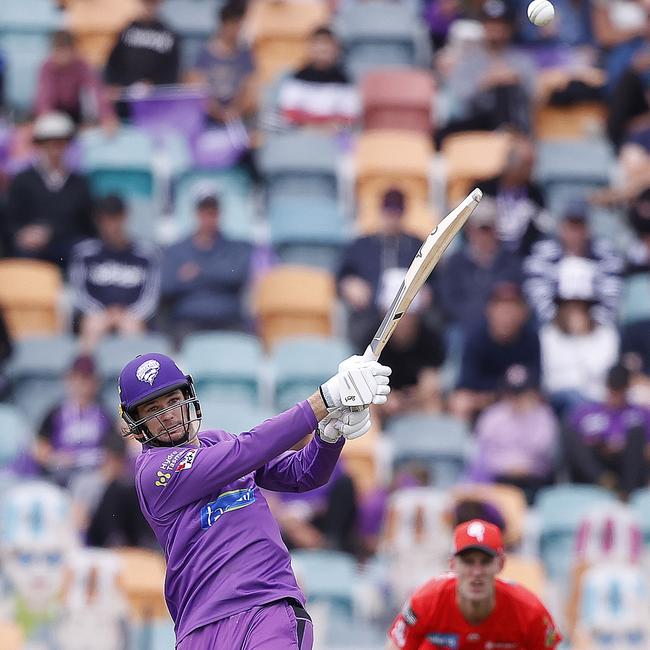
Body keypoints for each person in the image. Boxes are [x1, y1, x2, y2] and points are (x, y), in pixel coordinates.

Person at [117, 350, 391, 647]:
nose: (168, 414)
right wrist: (324, 400)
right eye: (153, 410)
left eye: (173, 401)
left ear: (189, 396)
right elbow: (247, 451)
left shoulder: (218, 441)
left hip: (267, 605)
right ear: (136, 423)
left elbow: (302, 474)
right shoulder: (153, 472)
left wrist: (328, 435)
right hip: (199, 625)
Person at [387, 519, 562, 649]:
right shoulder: (425, 601)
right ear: (452, 564)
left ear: (500, 564)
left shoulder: (529, 610)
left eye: (485, 562)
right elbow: (396, 646)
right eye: (468, 562)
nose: (477, 572)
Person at [69, 194, 161, 352]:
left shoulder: (147, 253)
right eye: (106, 220)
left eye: (116, 218)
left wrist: (127, 314)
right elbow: (78, 293)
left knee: (131, 327)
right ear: (98, 221)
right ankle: (86, 374)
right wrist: (104, 314)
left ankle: (133, 376)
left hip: (132, 317)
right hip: (96, 316)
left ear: (125, 217)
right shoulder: (85, 252)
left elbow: (151, 297)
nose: (112, 226)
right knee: (93, 324)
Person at [159, 189, 253, 343]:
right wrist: (217, 273)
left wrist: (198, 272)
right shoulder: (177, 249)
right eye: (204, 213)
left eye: (213, 213)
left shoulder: (236, 247)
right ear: (196, 214)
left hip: (228, 320)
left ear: (219, 214)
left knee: (243, 346)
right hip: (189, 321)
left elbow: (236, 275)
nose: (209, 219)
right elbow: (167, 286)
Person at [337, 188, 425, 349]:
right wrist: (349, 285)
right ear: (381, 212)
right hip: (370, 314)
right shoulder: (361, 245)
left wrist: (427, 292)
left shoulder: (416, 245)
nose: (392, 219)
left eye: (396, 214)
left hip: (409, 317)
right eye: (388, 213)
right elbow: (341, 276)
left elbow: (434, 280)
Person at [6, 111, 95, 269]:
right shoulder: (22, 180)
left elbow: (87, 225)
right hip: (31, 250)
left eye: (60, 142)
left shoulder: (80, 183)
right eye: (49, 142)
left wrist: (51, 233)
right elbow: (10, 220)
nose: (55, 148)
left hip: (68, 248)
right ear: (39, 145)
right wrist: (22, 234)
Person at [523, 197, 624, 327]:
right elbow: (537, 294)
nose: (575, 233)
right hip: (552, 328)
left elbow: (612, 295)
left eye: (580, 227)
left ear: (588, 229)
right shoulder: (542, 253)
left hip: (595, 329)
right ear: (561, 228)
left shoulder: (606, 253)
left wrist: (591, 327)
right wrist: (559, 325)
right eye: (571, 226)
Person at [450, 281, 540, 422]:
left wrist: (513, 397)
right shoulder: (476, 337)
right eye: (502, 308)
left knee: (534, 403)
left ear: (523, 312)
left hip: (518, 399)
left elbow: (535, 382)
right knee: (461, 402)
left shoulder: (530, 337)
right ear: (489, 310)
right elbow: (467, 384)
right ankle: (468, 443)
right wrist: (494, 397)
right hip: (485, 399)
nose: (507, 315)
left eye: (513, 308)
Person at [563, 364, 650, 498]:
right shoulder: (587, 412)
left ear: (627, 388)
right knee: (569, 432)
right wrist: (597, 443)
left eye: (619, 390)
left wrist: (623, 445)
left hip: (626, 465)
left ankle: (626, 491)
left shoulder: (640, 414)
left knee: (637, 432)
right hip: (595, 465)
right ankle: (604, 479)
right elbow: (574, 447)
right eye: (612, 389)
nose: (614, 394)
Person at [32, 355, 114, 488]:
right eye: (76, 378)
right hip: (59, 476)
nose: (81, 384)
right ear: (68, 379)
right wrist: (55, 459)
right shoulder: (56, 412)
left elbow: (114, 451)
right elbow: (40, 449)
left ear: (96, 382)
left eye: (87, 379)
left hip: (93, 476)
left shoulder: (104, 414)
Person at [104, 0, 180, 118]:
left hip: (154, 102)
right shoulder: (127, 30)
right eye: (146, 3)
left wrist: (154, 85)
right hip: (124, 99)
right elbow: (113, 63)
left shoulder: (169, 34)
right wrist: (113, 84)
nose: (148, 7)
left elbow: (172, 72)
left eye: (153, 3)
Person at [190, 1, 257, 126]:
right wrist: (218, 112)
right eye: (234, 24)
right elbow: (197, 89)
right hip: (208, 120)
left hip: (237, 121)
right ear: (223, 24)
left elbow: (249, 89)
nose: (237, 30)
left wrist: (235, 111)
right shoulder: (204, 53)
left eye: (239, 25)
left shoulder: (246, 54)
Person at [278, 26, 358, 129]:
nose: (321, 52)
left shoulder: (345, 82)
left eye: (326, 48)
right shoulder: (296, 79)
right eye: (317, 47)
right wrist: (310, 127)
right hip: (300, 134)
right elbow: (289, 114)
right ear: (309, 49)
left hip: (332, 136)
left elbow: (349, 117)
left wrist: (325, 127)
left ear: (336, 50)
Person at [35, 30, 117, 130]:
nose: (63, 56)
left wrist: (107, 116)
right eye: (59, 51)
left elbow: (96, 90)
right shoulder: (47, 68)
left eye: (66, 51)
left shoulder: (81, 65)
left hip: (75, 113)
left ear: (73, 50)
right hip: (52, 114)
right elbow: (44, 99)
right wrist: (46, 121)